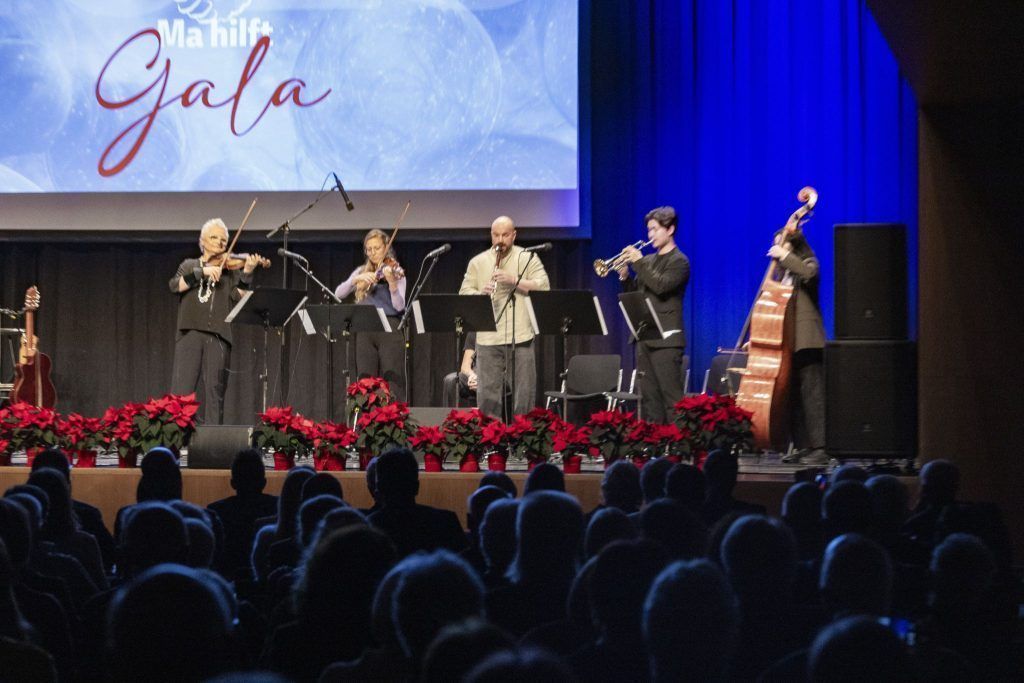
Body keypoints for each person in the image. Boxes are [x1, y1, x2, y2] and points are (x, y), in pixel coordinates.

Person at [169, 218, 261, 424]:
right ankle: (177, 435)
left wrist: (247, 273)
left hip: (219, 335)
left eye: (223, 240)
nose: (220, 242)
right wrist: (202, 272)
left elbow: (238, 298)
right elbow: (175, 286)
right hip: (190, 332)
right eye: (214, 237)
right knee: (182, 391)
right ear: (202, 241)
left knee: (215, 392)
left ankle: (213, 438)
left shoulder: (230, 270)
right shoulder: (189, 265)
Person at [459, 216, 550, 419]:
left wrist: (513, 280)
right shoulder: (478, 262)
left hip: (521, 336)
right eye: (496, 235)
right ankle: (491, 437)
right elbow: (464, 293)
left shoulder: (527, 257)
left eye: (505, 235)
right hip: (488, 338)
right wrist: (480, 293)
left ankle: (522, 435)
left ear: (514, 235)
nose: (500, 240)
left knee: (523, 397)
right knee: (488, 399)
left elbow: (543, 287)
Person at [615, 206, 690, 423]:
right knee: (650, 401)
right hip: (646, 336)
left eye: (655, 229)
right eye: (649, 230)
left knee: (672, 400)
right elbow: (636, 296)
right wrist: (625, 277)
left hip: (667, 340)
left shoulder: (679, 261)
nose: (650, 235)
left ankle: (678, 443)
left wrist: (638, 262)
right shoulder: (648, 261)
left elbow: (661, 286)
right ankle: (655, 443)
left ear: (670, 229)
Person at [769, 221, 828, 464]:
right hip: (786, 341)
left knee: (812, 393)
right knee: (793, 396)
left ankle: (821, 447)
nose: (778, 250)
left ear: (792, 246)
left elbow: (809, 275)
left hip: (807, 339)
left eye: (782, 245)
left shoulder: (808, 263)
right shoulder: (780, 276)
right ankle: (803, 445)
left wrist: (785, 255)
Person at [334, 229, 407, 401]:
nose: (373, 253)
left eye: (377, 248)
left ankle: (394, 415)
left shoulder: (395, 270)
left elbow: (399, 306)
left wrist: (392, 283)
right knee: (365, 381)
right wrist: (356, 280)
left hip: (389, 328)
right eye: (369, 249)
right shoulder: (361, 271)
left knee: (392, 379)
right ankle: (365, 416)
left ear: (386, 248)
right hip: (365, 329)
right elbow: (338, 293)